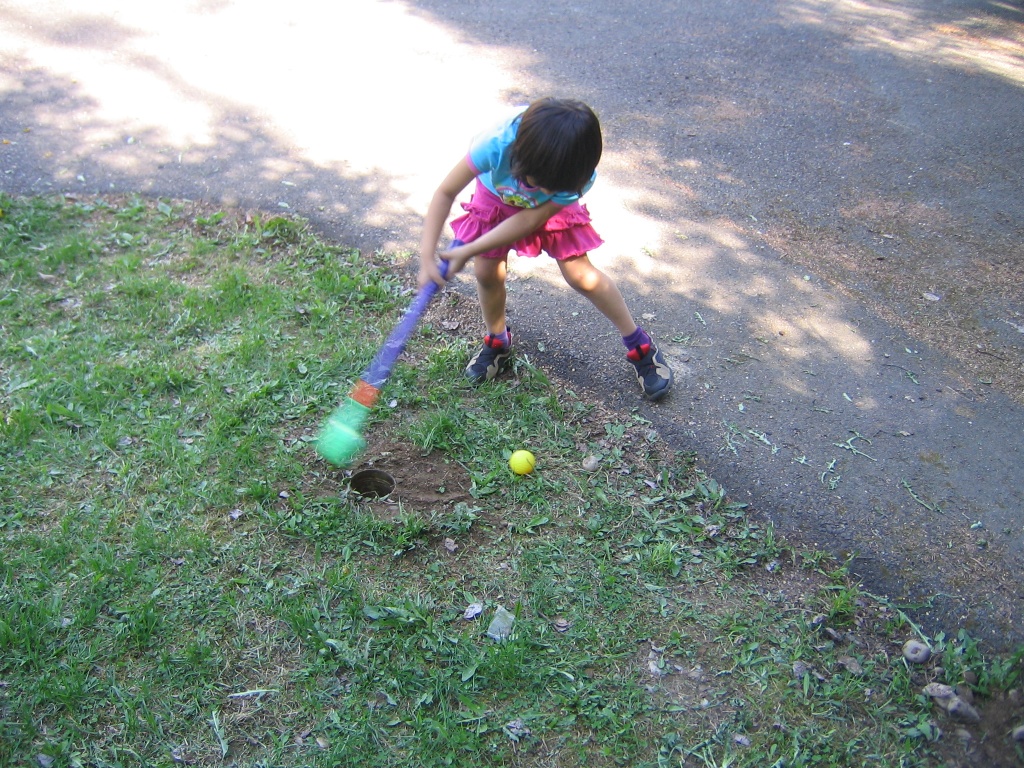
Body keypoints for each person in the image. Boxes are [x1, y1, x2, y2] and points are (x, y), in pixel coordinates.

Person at [418, 97, 673, 401]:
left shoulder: (574, 175)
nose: (547, 191)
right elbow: (445, 191)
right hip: (496, 193)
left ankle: (640, 345)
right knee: (486, 272)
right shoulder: (495, 145)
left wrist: (469, 247)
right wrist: (427, 256)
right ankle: (497, 342)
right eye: (541, 183)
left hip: (542, 208)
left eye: (557, 188)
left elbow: (529, 220)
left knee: (581, 275)